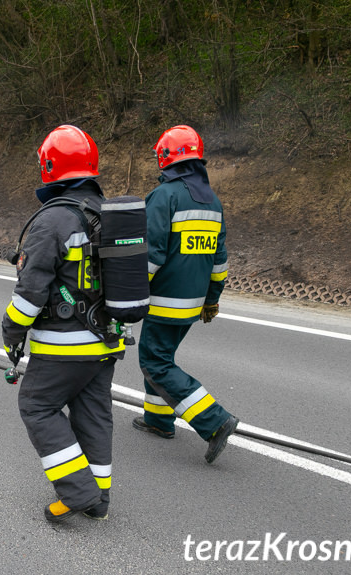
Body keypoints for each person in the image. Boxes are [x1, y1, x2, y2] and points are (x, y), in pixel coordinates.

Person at [2, 125, 124, 523]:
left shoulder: (53, 219)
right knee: (93, 413)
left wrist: (11, 332)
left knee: (37, 405)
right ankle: (99, 499)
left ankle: (77, 492)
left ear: (49, 168)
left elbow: (30, 293)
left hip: (64, 345)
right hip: (107, 340)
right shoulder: (110, 214)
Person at [133, 125, 239, 463]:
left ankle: (214, 421)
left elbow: (149, 255)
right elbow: (218, 261)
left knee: (154, 361)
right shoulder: (213, 201)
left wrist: (131, 295)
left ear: (166, 157)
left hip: (163, 300)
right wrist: (212, 299)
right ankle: (158, 420)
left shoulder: (164, 196)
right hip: (193, 304)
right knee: (162, 357)